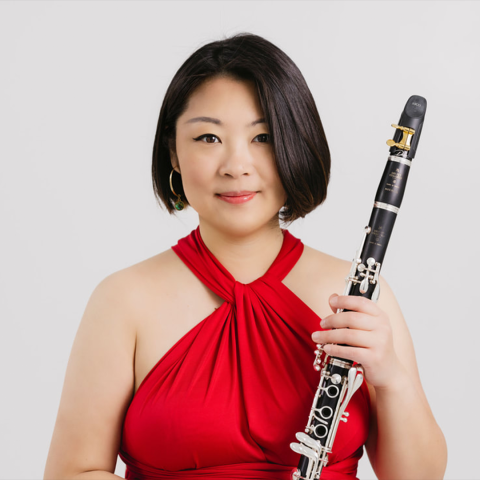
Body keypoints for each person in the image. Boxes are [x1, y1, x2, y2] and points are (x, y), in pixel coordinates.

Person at [44, 33, 447, 480]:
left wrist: (390, 377)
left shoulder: (362, 299)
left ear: (297, 144)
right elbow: (72, 472)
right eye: (209, 137)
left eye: (263, 137)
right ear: (173, 153)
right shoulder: (122, 300)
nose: (236, 165)